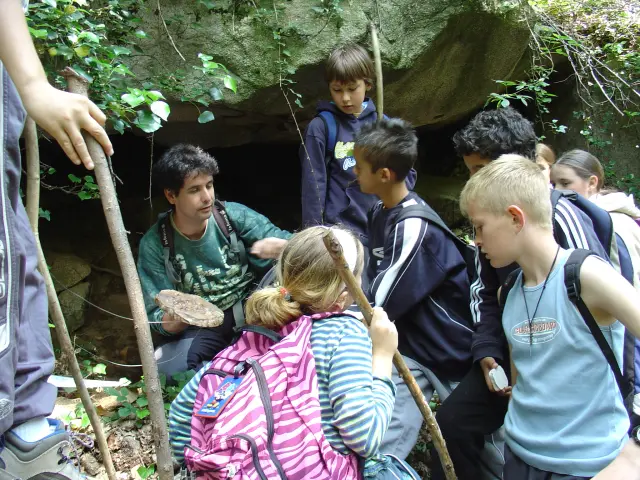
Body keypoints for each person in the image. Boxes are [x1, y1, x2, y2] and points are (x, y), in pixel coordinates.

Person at [431, 107, 612, 480]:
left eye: (480, 171)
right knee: (452, 424)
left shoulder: (563, 223)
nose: (472, 184)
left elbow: (609, 324)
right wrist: (487, 351)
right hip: (513, 354)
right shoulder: (490, 234)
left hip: (571, 375)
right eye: (470, 172)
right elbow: (486, 292)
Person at [168, 226, 420, 479]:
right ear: (345, 296)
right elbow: (364, 437)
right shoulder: (343, 333)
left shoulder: (255, 335)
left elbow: (181, 412)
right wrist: (383, 356)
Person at [459, 156, 640, 479]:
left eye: (480, 226)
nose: (477, 240)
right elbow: (523, 377)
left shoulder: (586, 276)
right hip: (519, 459)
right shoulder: (509, 292)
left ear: (516, 217)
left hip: (590, 465)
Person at [0, 1, 114, 479]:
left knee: (15, 255)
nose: (208, 197)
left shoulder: (233, 220)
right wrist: (31, 83)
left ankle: (26, 438)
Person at [351, 118, 473, 459]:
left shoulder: (414, 226)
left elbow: (380, 300)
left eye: (359, 167)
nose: (354, 173)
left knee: (487, 443)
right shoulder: (379, 211)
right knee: (386, 439)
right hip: (410, 345)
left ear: (384, 175)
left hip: (450, 350)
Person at [137, 144, 291, 378]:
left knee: (291, 277)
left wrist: (283, 248)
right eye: (194, 190)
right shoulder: (155, 244)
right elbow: (154, 317)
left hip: (254, 303)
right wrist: (178, 315)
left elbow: (301, 247)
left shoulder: (232, 216)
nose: (207, 196)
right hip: (205, 322)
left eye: (209, 186)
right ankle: (231, 374)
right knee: (166, 368)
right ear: (171, 195)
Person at [551, 149, 640, 421]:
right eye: (553, 185)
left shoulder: (614, 223)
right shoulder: (598, 217)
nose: (558, 191)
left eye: (566, 184)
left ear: (592, 182)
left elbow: (626, 284)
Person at [299, 44, 416, 248]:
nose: (345, 98)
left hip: (381, 229)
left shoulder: (384, 124)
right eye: (337, 90)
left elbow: (409, 178)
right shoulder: (321, 128)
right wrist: (314, 236)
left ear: (368, 84)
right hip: (340, 233)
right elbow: (313, 186)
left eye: (352, 89)